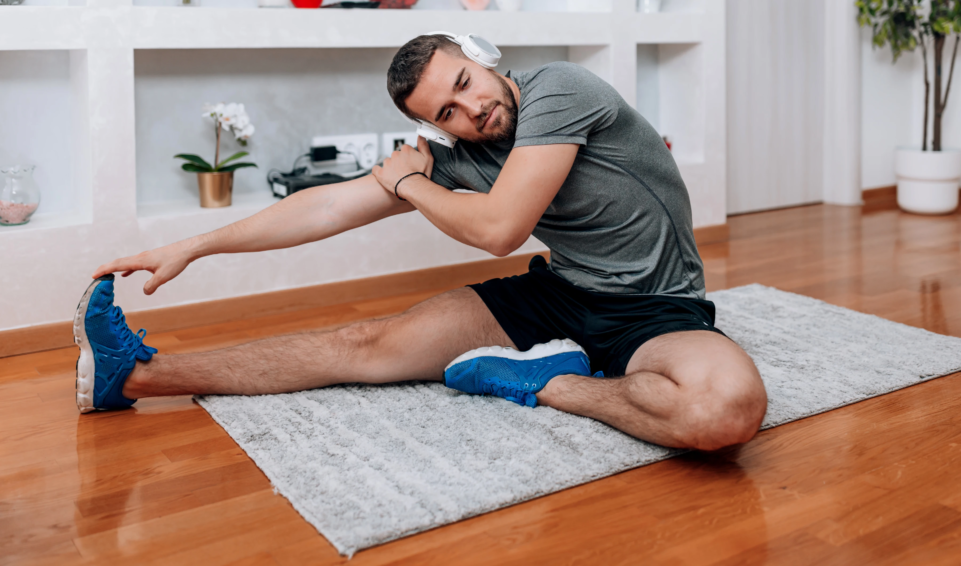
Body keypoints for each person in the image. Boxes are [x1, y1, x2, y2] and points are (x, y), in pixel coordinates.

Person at [78, 34, 767, 451]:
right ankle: (132, 374)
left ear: (481, 58)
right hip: (558, 294)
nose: (472, 111)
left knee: (725, 410)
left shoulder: (561, 89)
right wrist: (194, 245)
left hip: (656, 308)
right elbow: (324, 208)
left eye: (465, 84)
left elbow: (500, 229)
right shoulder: (458, 153)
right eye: (446, 113)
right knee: (364, 345)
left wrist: (410, 185)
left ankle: (551, 382)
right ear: (436, 124)